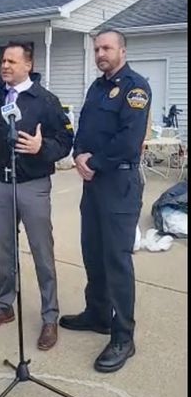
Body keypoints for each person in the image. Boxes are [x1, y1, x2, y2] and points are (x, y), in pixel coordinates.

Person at [59, 29, 151, 373]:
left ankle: (123, 336)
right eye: (97, 48)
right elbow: (84, 128)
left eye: (106, 47)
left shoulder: (135, 88)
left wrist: (92, 163)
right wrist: (79, 154)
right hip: (93, 184)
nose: (100, 53)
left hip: (119, 184)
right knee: (93, 252)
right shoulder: (97, 87)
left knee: (117, 260)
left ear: (122, 51)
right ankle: (97, 314)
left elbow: (129, 140)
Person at [0, 41, 73, 351]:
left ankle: (49, 316)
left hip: (32, 184)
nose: (4, 66)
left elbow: (66, 139)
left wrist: (41, 149)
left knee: (41, 252)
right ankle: (5, 305)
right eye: (3, 61)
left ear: (28, 65)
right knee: (5, 251)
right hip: (1, 186)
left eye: (11, 61)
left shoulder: (45, 100)